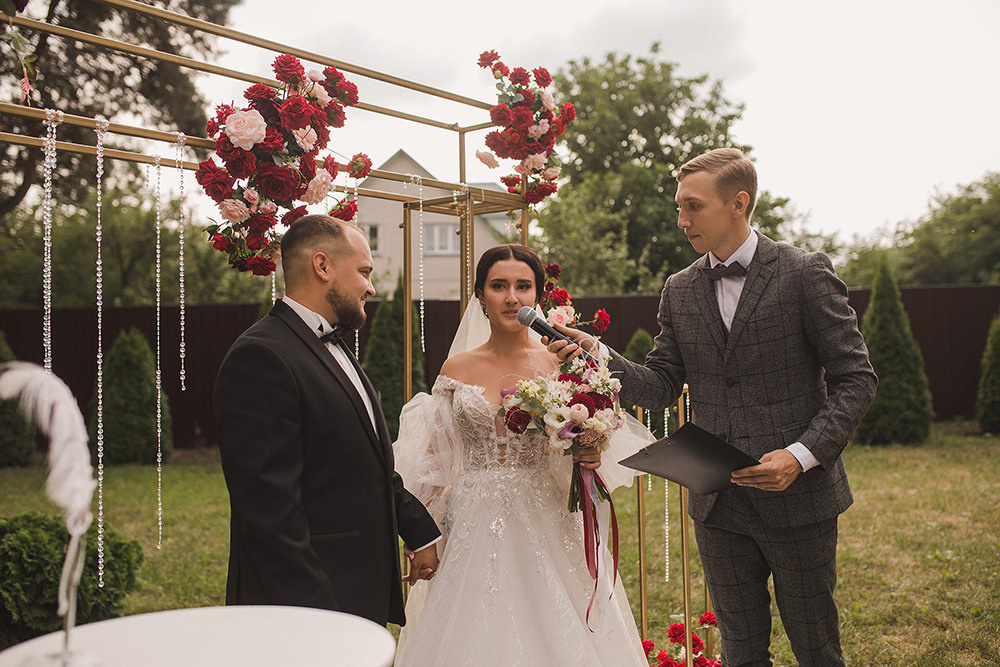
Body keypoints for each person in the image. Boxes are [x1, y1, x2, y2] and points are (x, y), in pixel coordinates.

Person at [548, 148, 877, 666]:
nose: (681, 221)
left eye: (692, 207)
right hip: (718, 506)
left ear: (738, 203)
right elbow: (659, 386)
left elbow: (856, 379)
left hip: (800, 498)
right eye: (679, 207)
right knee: (741, 652)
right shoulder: (678, 289)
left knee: (816, 648)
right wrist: (597, 355)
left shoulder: (804, 273)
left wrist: (801, 454)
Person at [392, 244, 651, 666]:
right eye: (499, 286)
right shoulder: (456, 367)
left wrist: (589, 445)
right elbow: (434, 457)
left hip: (546, 514)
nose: (512, 297)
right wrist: (427, 535)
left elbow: (600, 437)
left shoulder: (561, 361)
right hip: (471, 519)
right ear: (480, 296)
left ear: (538, 298)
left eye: (523, 286)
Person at [214, 214, 441, 626]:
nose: (370, 286)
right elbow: (268, 511)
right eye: (364, 272)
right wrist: (320, 617)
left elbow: (365, 461)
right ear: (323, 267)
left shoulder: (330, 343)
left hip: (357, 587)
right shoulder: (261, 357)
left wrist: (419, 530)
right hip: (310, 600)